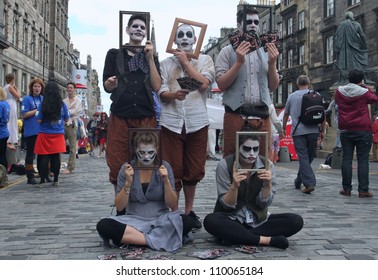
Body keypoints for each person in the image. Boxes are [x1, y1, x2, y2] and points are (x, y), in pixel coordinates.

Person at [96, 131, 196, 252]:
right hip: (133, 220)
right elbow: (120, 206)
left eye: (150, 152)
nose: (146, 157)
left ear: (157, 149)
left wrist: (166, 181)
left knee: (187, 221)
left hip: (160, 220)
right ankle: (156, 239)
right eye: (142, 152)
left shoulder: (164, 167)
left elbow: (173, 205)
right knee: (104, 225)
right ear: (135, 150)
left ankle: (134, 240)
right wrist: (128, 182)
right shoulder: (126, 168)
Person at [158, 22, 215, 227]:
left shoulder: (205, 59)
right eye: (180, 34)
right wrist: (174, 94)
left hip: (197, 121)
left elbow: (204, 84)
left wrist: (186, 63)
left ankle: (189, 212)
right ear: (174, 39)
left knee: (194, 169)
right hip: (171, 122)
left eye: (188, 35)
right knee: (172, 169)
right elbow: (161, 92)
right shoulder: (165, 63)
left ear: (194, 39)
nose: (184, 38)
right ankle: (174, 212)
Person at [203, 133, 303, 249]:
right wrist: (234, 186)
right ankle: (266, 240)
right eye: (246, 148)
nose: (251, 153)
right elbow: (227, 206)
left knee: (295, 221)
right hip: (231, 218)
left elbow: (263, 204)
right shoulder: (225, 165)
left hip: (258, 221)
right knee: (211, 221)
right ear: (238, 148)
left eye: (255, 149)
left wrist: (267, 185)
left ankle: (237, 236)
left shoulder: (267, 165)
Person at [103, 13, 161, 194]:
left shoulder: (150, 56)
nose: (139, 29)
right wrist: (110, 84)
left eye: (142, 28)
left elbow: (156, 85)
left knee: (147, 160)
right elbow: (106, 85)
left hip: (145, 114)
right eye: (135, 26)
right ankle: (121, 204)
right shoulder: (114, 54)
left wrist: (150, 58)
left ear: (145, 34)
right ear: (127, 30)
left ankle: (143, 201)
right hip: (121, 113)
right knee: (117, 160)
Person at [215, 6, 280, 158]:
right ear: (239, 25)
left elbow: (273, 86)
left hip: (261, 115)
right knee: (233, 159)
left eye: (256, 22)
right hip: (236, 115)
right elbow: (221, 84)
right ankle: (234, 183)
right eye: (248, 21)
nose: (253, 25)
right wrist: (238, 63)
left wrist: (272, 64)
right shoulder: (226, 51)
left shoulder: (266, 50)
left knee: (262, 161)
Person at [335, 69, 377, 198]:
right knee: (363, 160)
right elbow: (374, 99)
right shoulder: (364, 92)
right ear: (361, 80)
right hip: (362, 129)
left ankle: (346, 188)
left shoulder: (339, 91)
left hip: (346, 129)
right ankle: (363, 190)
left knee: (346, 159)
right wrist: (364, 87)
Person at [282, 75, 325, 194]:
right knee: (309, 157)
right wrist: (322, 130)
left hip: (298, 131)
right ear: (309, 83)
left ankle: (308, 182)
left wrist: (284, 128)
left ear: (297, 84)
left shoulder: (292, 97)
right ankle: (301, 181)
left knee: (303, 157)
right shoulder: (317, 95)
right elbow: (322, 113)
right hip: (313, 130)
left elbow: (286, 114)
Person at [34, 81, 69, 187]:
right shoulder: (62, 104)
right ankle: (56, 180)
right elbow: (67, 118)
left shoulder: (43, 104)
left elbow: (38, 120)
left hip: (44, 133)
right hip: (58, 134)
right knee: (55, 157)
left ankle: (42, 180)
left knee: (44, 157)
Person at [21, 78, 45, 185]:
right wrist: (36, 111)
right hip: (31, 130)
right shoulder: (27, 99)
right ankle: (30, 176)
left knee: (43, 154)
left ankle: (44, 174)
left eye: (39, 86)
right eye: (35, 86)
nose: (37, 88)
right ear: (31, 88)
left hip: (43, 130)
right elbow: (24, 114)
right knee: (30, 154)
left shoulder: (43, 99)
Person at [334, 11, 368, 81]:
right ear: (352, 17)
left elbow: (336, 37)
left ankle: (346, 78)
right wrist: (364, 45)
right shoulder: (357, 24)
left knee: (346, 64)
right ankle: (359, 78)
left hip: (344, 50)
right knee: (358, 64)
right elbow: (362, 35)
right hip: (355, 48)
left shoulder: (342, 25)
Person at [62, 82, 83, 174]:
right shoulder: (64, 101)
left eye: (71, 88)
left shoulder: (78, 101)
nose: (69, 89)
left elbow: (75, 112)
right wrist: (68, 112)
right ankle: (55, 166)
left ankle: (70, 167)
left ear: (74, 89)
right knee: (59, 145)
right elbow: (63, 112)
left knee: (72, 147)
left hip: (73, 124)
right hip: (63, 124)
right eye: (68, 88)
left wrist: (67, 111)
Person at [4, 73, 21, 151]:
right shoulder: (10, 87)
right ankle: (11, 138)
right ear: (12, 79)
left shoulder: (5, 87)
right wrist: (17, 90)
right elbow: (18, 96)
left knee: (10, 121)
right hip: (11, 104)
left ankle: (10, 138)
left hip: (9, 103)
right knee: (12, 121)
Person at [0, 87, 10, 185]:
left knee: (1, 156)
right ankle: (4, 176)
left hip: (0, 132)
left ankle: (2, 176)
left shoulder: (0, 105)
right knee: (3, 155)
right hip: (5, 132)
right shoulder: (6, 104)